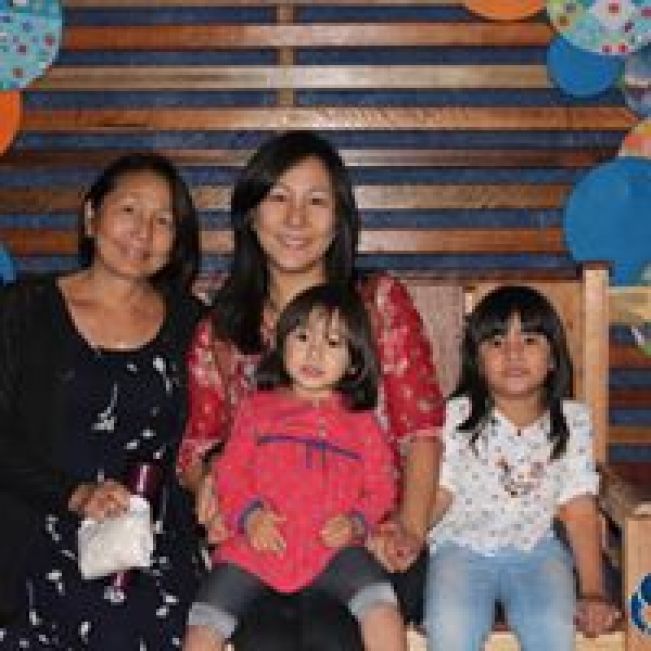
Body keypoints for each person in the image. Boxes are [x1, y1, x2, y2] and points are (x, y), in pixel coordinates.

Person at [177, 130, 444, 650]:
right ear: (251, 215)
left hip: (362, 536)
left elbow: (420, 431)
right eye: (279, 198)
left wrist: (407, 530)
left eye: (316, 201)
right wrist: (210, 481)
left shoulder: (377, 303)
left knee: (334, 631)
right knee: (265, 635)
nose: (296, 219)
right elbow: (197, 447)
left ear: (339, 219)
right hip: (265, 537)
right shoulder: (222, 330)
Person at [0, 152, 207, 649]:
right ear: (92, 217)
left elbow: (210, 433)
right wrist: (76, 495)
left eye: (163, 221)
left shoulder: (192, 322)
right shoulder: (23, 309)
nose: (143, 232)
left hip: (154, 547)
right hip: (42, 533)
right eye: (129, 210)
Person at [184, 283, 406, 651]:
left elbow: (382, 486)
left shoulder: (362, 423)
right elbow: (231, 472)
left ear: (354, 361)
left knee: (381, 604)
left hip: (332, 548)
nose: (314, 352)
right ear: (281, 344)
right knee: (205, 621)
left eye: (332, 343)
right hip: (257, 546)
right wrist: (250, 516)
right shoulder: (257, 409)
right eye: (302, 337)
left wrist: (356, 522)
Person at [424, 285, 620, 651]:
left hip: (536, 551)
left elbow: (579, 512)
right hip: (461, 548)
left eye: (529, 340)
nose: (513, 353)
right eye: (497, 342)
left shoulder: (572, 421)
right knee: (451, 626)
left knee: (552, 628)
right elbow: (438, 494)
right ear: (477, 360)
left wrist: (593, 590)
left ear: (553, 358)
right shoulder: (455, 417)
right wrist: (406, 533)